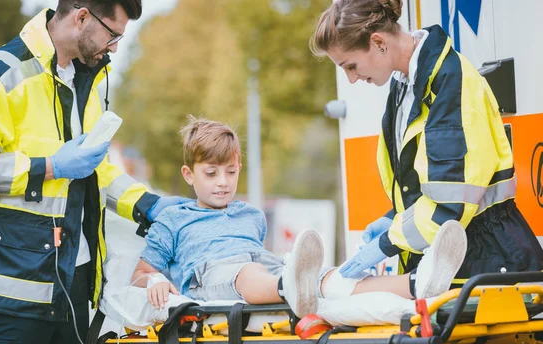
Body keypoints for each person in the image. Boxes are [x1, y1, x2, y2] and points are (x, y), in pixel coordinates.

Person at [0, 1, 182, 344]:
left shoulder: (85, 79)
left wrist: (147, 204)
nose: (116, 48)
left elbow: (91, 169)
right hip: (16, 281)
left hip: (72, 280)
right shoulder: (0, 72)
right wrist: (49, 166)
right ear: (83, 16)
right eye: (114, 34)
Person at [131, 116, 468, 319]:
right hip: (213, 275)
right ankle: (289, 286)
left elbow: (259, 259)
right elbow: (141, 273)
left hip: (263, 267)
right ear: (189, 175)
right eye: (211, 173)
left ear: (239, 169)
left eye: (230, 172)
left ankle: (415, 283)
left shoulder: (251, 215)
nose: (222, 182)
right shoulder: (174, 219)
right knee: (252, 272)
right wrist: (156, 281)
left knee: (330, 277)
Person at [309, 0, 543, 282]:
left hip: (488, 257)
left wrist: (387, 241)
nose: (351, 79)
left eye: (351, 66)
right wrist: (393, 217)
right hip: (456, 253)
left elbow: (449, 202)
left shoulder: (449, 81)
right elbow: (425, 183)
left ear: (379, 42)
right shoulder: (404, 86)